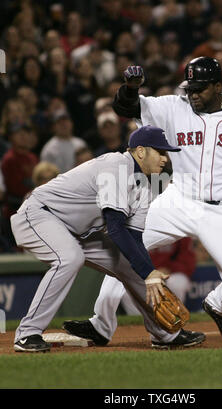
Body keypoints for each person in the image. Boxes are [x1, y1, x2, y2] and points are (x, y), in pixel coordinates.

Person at [64, 56, 222, 344]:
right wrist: (130, 88)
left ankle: (217, 305)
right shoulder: (174, 106)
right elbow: (126, 107)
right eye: (190, 88)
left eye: (200, 88)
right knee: (124, 249)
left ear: (219, 86)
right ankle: (101, 325)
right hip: (179, 199)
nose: (193, 94)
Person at [11, 125, 205, 352]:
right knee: (70, 258)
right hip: (38, 214)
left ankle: (165, 335)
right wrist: (148, 272)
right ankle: (28, 333)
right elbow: (115, 228)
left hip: (76, 230)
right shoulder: (116, 166)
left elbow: (133, 237)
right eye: (160, 152)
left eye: (166, 153)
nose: (165, 159)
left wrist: (148, 273)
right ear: (140, 151)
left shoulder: (146, 185)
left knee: (132, 267)